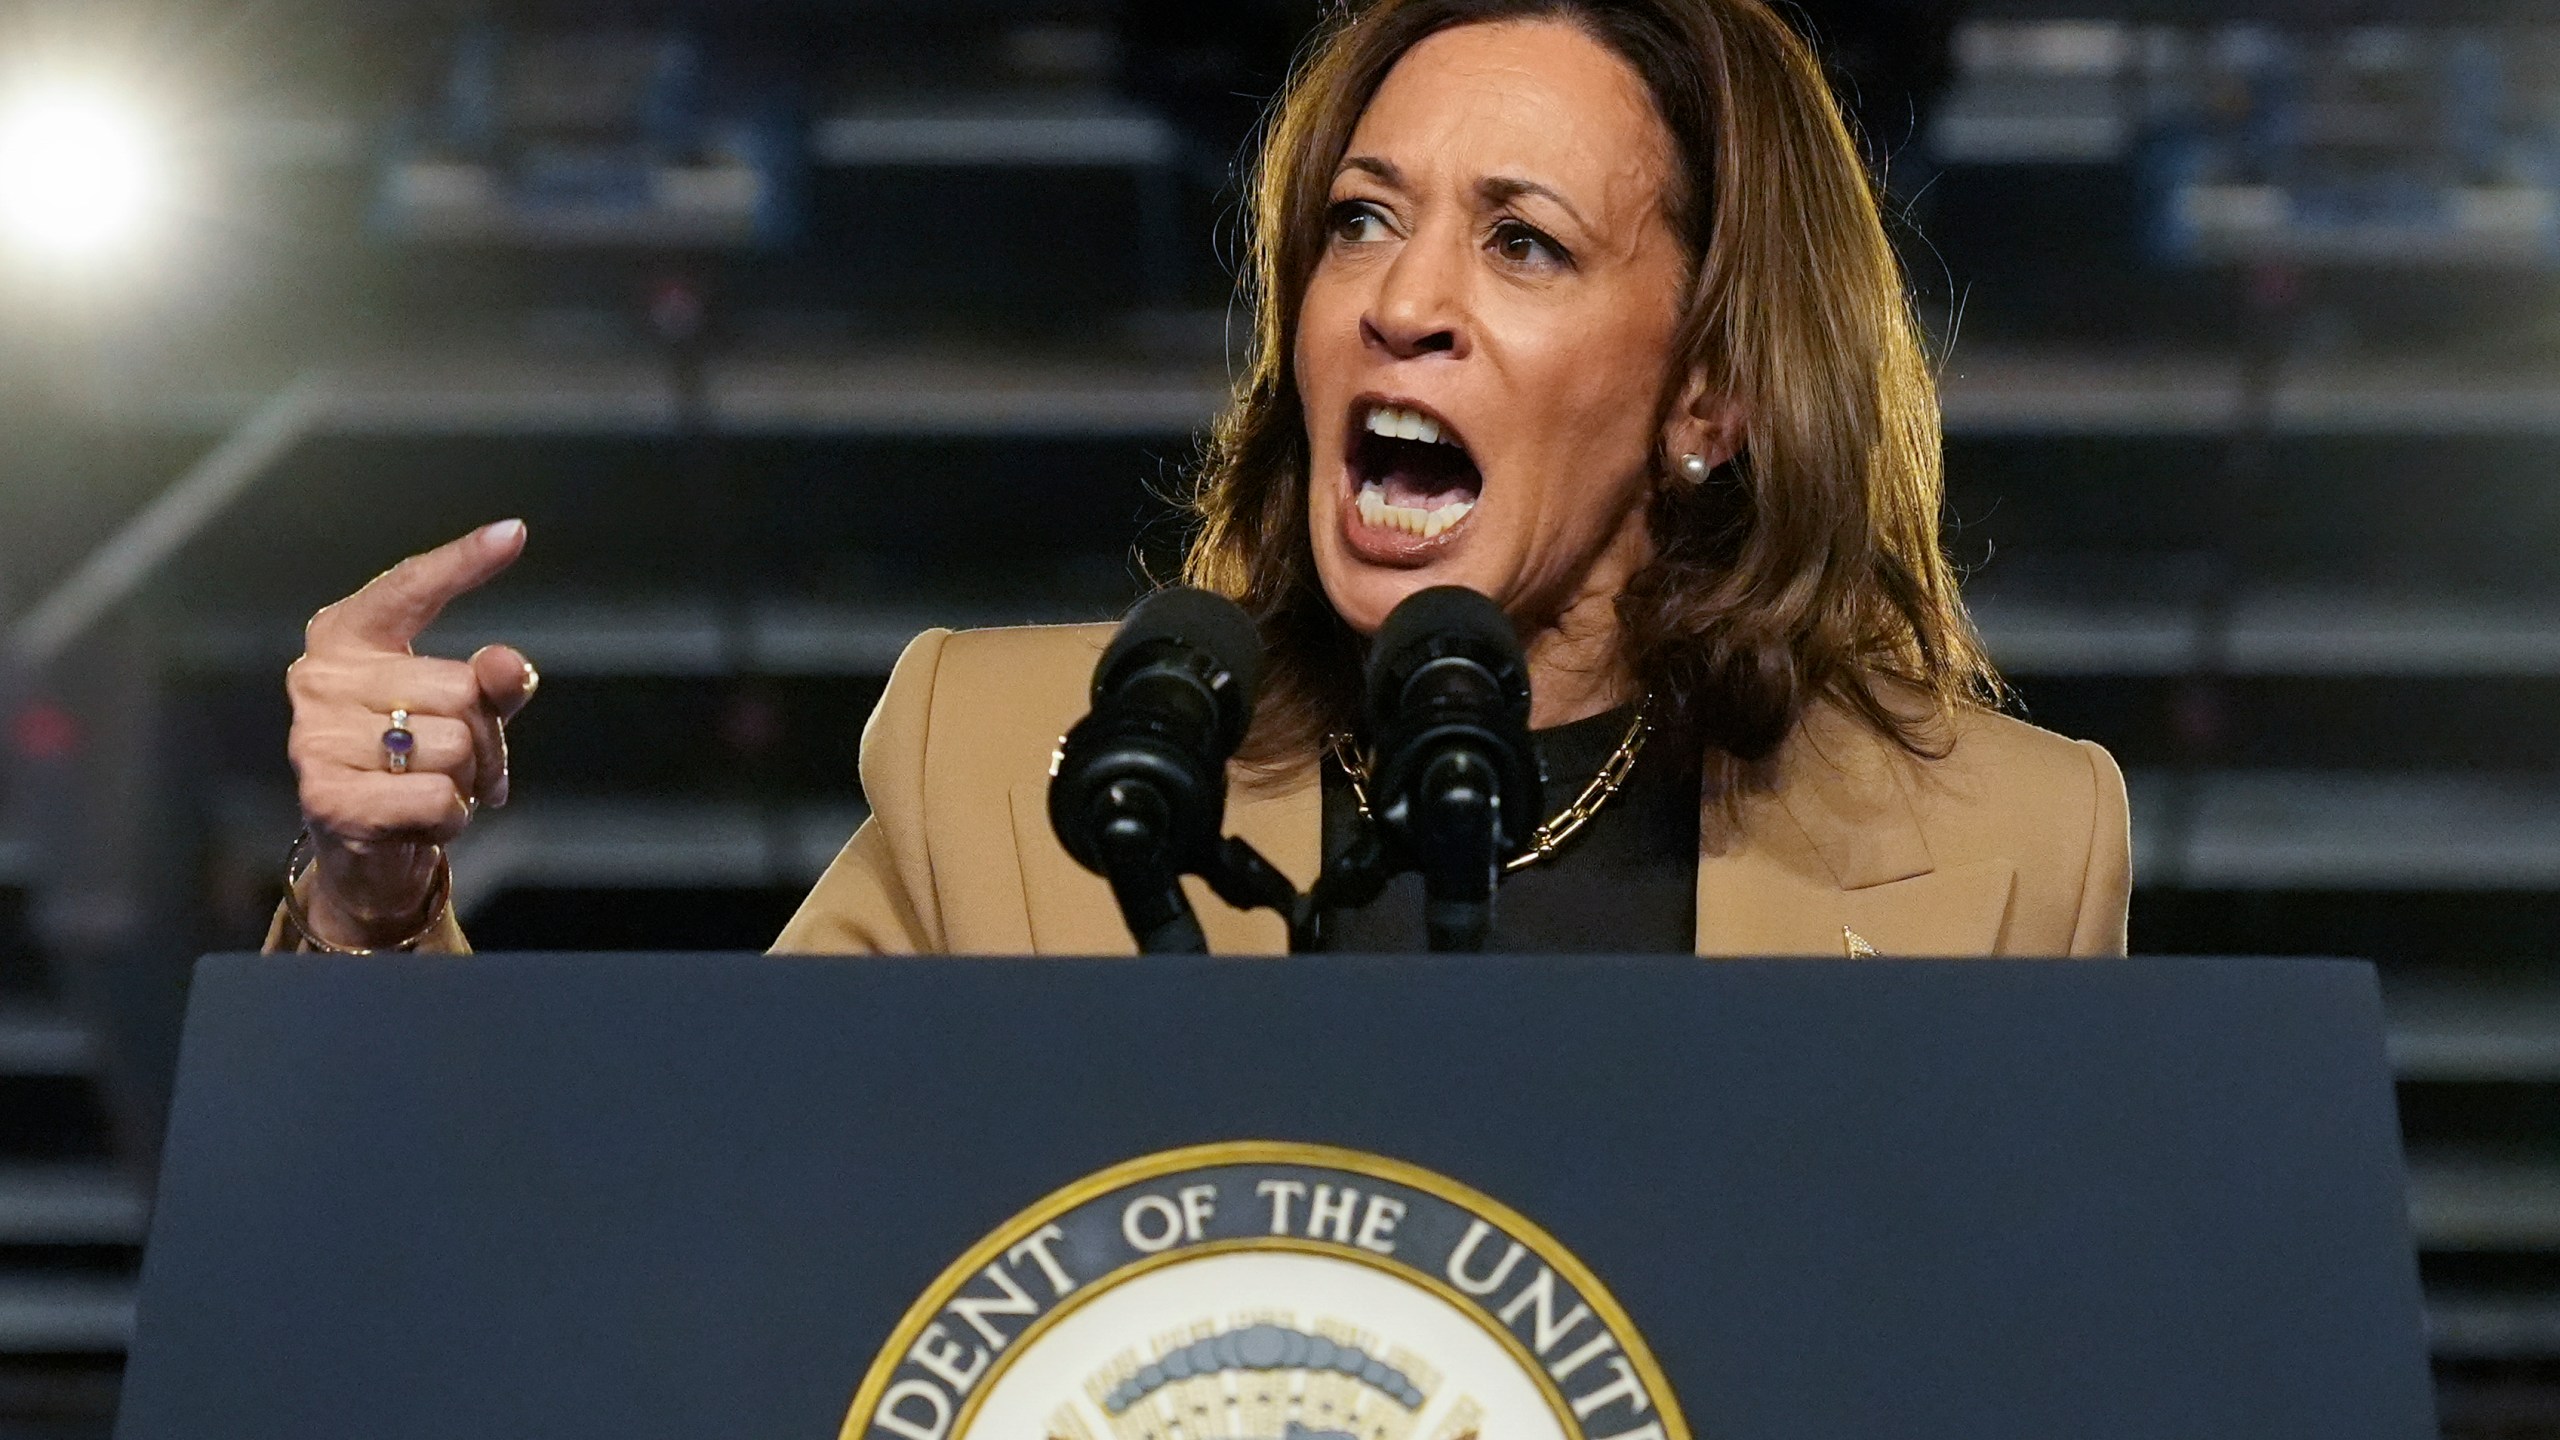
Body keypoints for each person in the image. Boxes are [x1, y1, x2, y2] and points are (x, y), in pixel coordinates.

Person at [271, 0, 2130, 959]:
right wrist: (369, 906)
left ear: (1711, 399)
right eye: (1362, 221)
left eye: (1525, 245)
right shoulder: (996, 767)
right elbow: (690, 1265)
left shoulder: (2013, 853)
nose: (1403, 302)